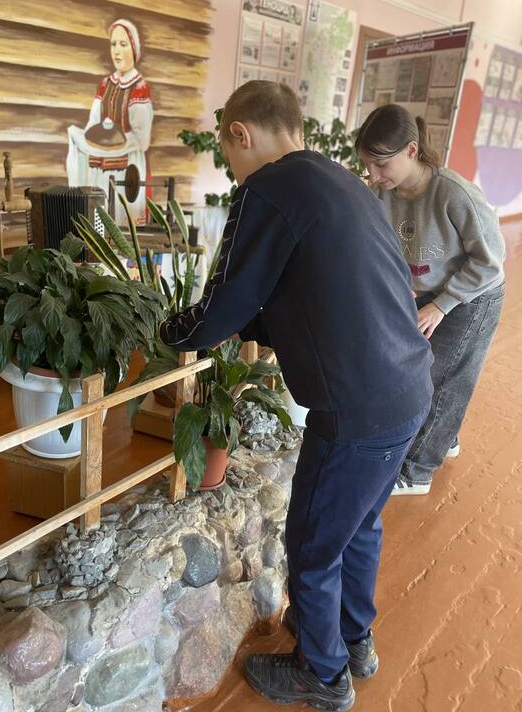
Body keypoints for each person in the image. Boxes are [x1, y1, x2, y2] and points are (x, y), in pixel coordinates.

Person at [160, 81, 433, 710]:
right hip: (408, 388)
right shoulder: (339, 181)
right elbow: (301, 290)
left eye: (229, 153)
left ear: (239, 134)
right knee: (357, 526)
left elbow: (224, 303)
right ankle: (353, 640)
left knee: (311, 543)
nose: (233, 169)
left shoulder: (268, 189)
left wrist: (171, 330)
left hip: (358, 408)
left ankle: (323, 674)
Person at [356, 104, 506, 496]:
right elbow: (382, 248)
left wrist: (441, 305)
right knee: (418, 368)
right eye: (367, 165)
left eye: (381, 164)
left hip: (475, 293)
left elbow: (491, 262)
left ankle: (417, 471)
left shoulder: (454, 194)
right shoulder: (382, 193)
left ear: (411, 150)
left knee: (442, 377)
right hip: (428, 290)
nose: (373, 176)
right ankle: (445, 436)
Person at [66, 18, 154, 224]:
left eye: (123, 44)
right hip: (99, 167)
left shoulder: (139, 87)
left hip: (126, 169)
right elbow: (93, 123)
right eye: (113, 44)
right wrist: (93, 140)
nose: (117, 51)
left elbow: (142, 139)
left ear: (134, 49)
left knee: (120, 224)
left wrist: (114, 145)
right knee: (98, 221)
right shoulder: (106, 84)